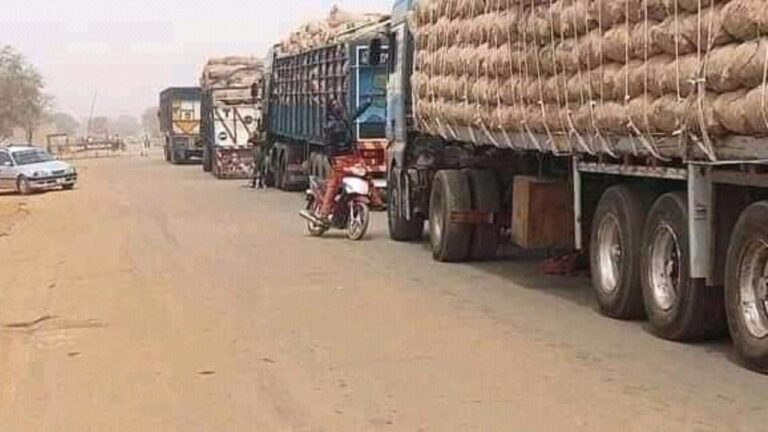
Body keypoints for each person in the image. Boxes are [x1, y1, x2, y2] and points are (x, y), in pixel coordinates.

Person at [316, 98, 384, 223]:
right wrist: (333, 161)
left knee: (366, 175)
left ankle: (376, 200)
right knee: (334, 184)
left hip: (352, 157)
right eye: (336, 105)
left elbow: (357, 112)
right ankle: (324, 213)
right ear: (331, 110)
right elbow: (329, 146)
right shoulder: (331, 126)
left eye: (339, 104)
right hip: (339, 159)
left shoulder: (344, 120)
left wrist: (367, 103)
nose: (339, 107)